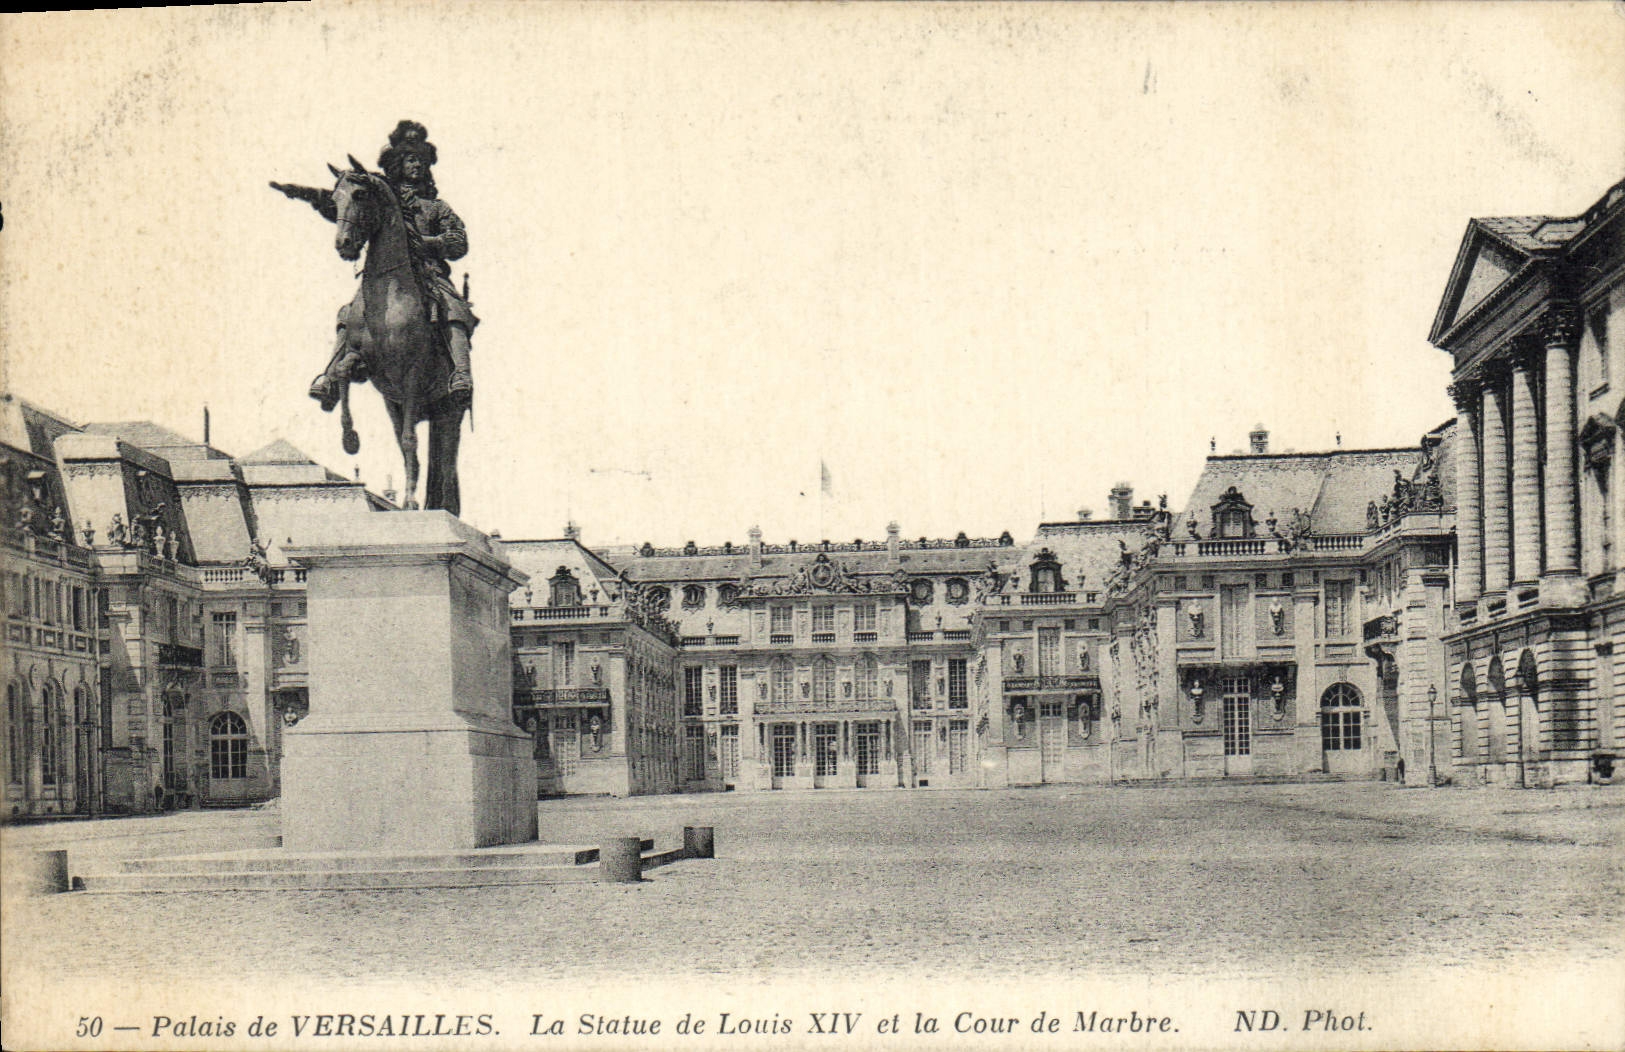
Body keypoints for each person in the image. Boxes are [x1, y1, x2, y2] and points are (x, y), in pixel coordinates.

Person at [278, 120, 478, 410]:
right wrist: (308, 196)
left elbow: (459, 241)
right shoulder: (383, 198)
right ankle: (331, 377)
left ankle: (460, 373)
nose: (417, 165)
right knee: (349, 313)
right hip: (382, 273)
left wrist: (431, 243)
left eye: (421, 160)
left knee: (453, 307)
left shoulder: (436, 207)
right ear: (397, 163)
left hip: (428, 272)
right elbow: (349, 207)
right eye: (410, 159)